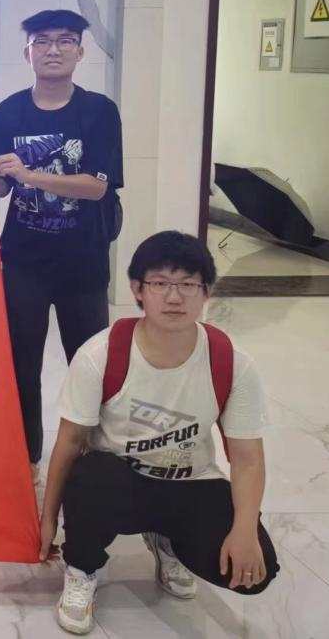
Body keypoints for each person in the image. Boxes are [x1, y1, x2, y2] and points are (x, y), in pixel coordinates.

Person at [40, 231, 276, 634]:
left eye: (188, 284)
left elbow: (248, 459)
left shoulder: (231, 361)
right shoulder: (100, 355)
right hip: (119, 482)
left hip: (190, 483)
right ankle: (81, 570)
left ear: (206, 292)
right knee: (93, 476)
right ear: (138, 290)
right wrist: (48, 519)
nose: (174, 297)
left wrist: (244, 530)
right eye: (160, 283)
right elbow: (69, 441)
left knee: (254, 574)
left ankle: (167, 541)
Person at [0, 9, 123, 474]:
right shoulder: (9, 111)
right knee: (21, 362)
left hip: (83, 262)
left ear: (80, 51)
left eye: (64, 41)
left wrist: (30, 174)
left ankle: (93, 455)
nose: (53, 50)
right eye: (42, 41)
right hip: (24, 262)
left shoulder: (99, 111)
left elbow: (97, 186)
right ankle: (26, 458)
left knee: (90, 363)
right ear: (28, 53)